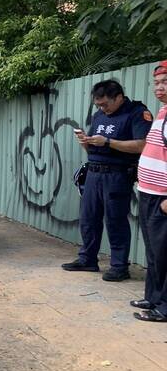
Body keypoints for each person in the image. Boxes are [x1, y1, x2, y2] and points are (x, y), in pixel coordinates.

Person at [62, 79, 152, 281]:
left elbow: (142, 145)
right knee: (88, 217)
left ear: (119, 97)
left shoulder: (136, 113)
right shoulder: (99, 116)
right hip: (93, 173)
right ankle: (87, 259)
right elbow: (94, 148)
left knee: (115, 220)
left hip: (117, 174)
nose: (102, 108)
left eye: (105, 104)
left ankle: (119, 266)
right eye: (99, 105)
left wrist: (108, 142)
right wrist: (86, 142)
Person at [132, 61, 167, 322]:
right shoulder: (163, 112)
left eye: (165, 82)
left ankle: (164, 306)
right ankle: (153, 297)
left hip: (162, 198)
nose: (159, 87)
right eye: (156, 82)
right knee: (153, 251)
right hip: (148, 191)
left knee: (164, 252)